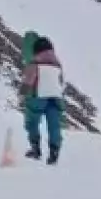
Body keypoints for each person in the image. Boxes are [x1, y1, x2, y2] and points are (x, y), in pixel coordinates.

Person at [21, 35, 65, 164]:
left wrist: (22, 94)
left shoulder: (35, 63)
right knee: (54, 125)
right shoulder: (57, 64)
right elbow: (61, 82)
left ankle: (35, 149)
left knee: (32, 122)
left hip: (38, 97)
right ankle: (54, 152)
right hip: (55, 98)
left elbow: (28, 81)